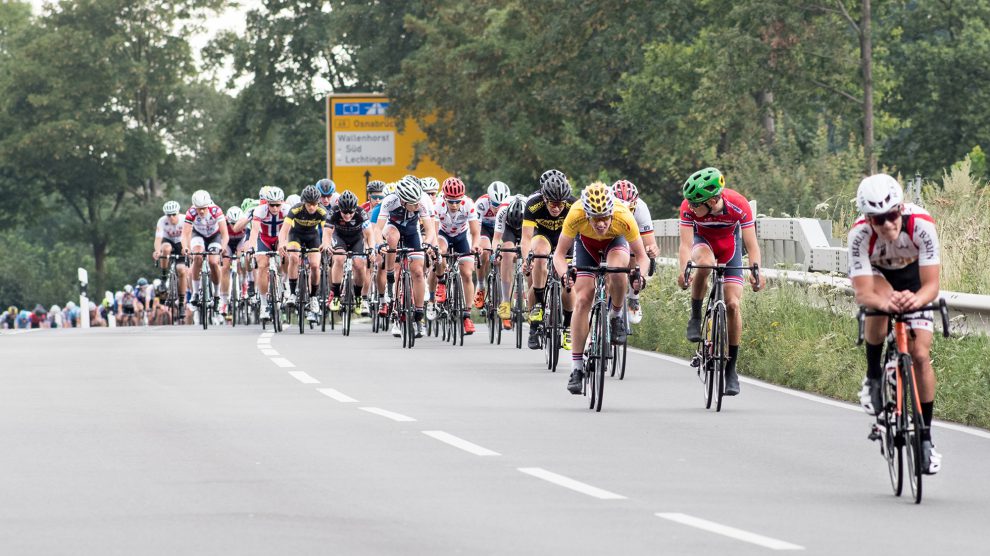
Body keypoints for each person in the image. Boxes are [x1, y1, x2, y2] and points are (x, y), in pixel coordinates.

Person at [849, 173, 942, 475]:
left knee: (920, 355)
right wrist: (885, 304)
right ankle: (874, 376)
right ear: (867, 218)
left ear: (900, 209)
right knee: (878, 307)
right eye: (878, 219)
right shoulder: (860, 235)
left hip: (915, 282)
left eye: (892, 215)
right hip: (879, 280)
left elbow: (931, 285)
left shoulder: (922, 225)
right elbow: (863, 293)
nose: (887, 224)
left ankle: (926, 438)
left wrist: (915, 301)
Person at [555, 183, 650, 394]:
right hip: (586, 245)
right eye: (595, 218)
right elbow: (559, 255)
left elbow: (642, 257)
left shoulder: (623, 215)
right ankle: (577, 369)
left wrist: (640, 276)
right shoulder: (576, 213)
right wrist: (564, 273)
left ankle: (616, 315)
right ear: (586, 214)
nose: (600, 223)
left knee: (618, 271)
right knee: (582, 300)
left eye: (605, 217)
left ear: (611, 212)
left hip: (615, 242)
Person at [677, 167, 764, 396]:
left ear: (714, 199)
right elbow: (685, 245)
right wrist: (684, 270)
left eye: (697, 204)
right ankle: (696, 317)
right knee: (704, 264)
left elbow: (752, 245)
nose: (692, 208)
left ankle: (731, 369)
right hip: (702, 241)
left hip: (729, 247)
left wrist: (756, 271)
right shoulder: (688, 207)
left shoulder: (738, 204)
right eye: (691, 204)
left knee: (733, 305)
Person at [375, 175, 438, 338]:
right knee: (392, 240)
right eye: (413, 204)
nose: (417, 205)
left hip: (412, 232)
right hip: (393, 228)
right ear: (403, 201)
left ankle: (418, 315)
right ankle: (390, 277)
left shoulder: (421, 201)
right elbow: (377, 229)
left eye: (418, 202)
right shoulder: (390, 201)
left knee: (417, 271)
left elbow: (430, 230)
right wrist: (379, 244)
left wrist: (428, 244)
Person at [521, 169, 576, 348]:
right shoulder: (533, 204)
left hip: (564, 239)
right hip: (542, 236)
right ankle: (537, 307)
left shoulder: (574, 205)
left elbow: (582, 236)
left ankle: (568, 326)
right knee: (540, 255)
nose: (557, 208)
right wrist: (526, 260)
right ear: (544, 198)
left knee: (568, 282)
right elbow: (526, 238)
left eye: (561, 204)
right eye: (553, 203)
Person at [433, 177, 481, 335]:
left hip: (462, 236)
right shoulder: (437, 205)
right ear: (444, 198)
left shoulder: (468, 204)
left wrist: (475, 245)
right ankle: (441, 282)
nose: (454, 205)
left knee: (467, 273)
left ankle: (467, 316)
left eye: (457, 201)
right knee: (439, 251)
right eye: (451, 201)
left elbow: (475, 232)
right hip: (443, 234)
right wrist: (434, 248)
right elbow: (433, 231)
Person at [278, 185, 331, 317]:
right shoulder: (296, 209)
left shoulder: (322, 211)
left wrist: (326, 243)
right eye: (309, 204)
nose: (312, 207)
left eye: (314, 204)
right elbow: (284, 230)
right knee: (294, 258)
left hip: (312, 237)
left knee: (314, 265)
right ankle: (292, 293)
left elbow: (327, 231)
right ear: (304, 202)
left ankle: (313, 297)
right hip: (295, 235)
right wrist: (282, 243)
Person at [611, 180, 657, 324]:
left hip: (631, 236)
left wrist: (651, 250)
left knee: (636, 254)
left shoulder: (641, 209)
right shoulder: (606, 206)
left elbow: (650, 243)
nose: (626, 212)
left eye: (630, 208)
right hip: (611, 235)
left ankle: (633, 297)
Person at [327, 190, 374, 315]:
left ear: (355, 209)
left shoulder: (361, 213)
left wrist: (371, 249)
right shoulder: (334, 212)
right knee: (339, 259)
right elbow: (327, 232)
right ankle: (336, 295)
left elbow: (370, 234)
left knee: (359, 264)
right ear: (339, 208)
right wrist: (326, 244)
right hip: (340, 238)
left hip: (356, 239)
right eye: (344, 212)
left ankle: (358, 296)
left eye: (350, 212)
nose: (347, 215)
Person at [181, 190, 228, 312]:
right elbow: (185, 235)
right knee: (197, 257)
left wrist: (223, 247)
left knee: (213, 262)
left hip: (214, 236)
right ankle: (196, 293)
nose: (201, 211)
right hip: (198, 235)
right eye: (198, 208)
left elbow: (225, 234)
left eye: (204, 208)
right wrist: (185, 247)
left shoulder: (216, 210)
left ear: (208, 205)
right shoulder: (191, 212)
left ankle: (217, 295)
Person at [247, 186, 288, 320]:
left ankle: (286, 282)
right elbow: (254, 231)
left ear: (282, 202)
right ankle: (264, 304)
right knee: (262, 265)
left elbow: (290, 230)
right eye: (272, 205)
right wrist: (252, 247)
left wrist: (286, 244)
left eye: (277, 205)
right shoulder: (260, 210)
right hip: (264, 239)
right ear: (267, 203)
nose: (275, 208)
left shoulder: (287, 210)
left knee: (288, 255)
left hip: (279, 238)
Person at [474, 181, 511, 310]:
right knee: (484, 252)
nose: (497, 209)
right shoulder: (480, 204)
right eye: (495, 205)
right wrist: (477, 245)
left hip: (501, 229)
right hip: (484, 228)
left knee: (504, 255)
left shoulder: (509, 205)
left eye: (500, 205)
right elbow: (475, 228)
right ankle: (480, 285)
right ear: (489, 200)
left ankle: (503, 295)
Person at [153, 200, 188, 310]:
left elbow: (190, 236)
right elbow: (158, 239)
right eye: (169, 215)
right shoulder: (162, 221)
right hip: (169, 241)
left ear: (178, 213)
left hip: (181, 243)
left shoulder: (184, 219)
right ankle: (164, 277)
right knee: (165, 248)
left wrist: (187, 249)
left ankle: (182, 301)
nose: (171, 217)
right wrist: (157, 251)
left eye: (174, 214)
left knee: (182, 270)